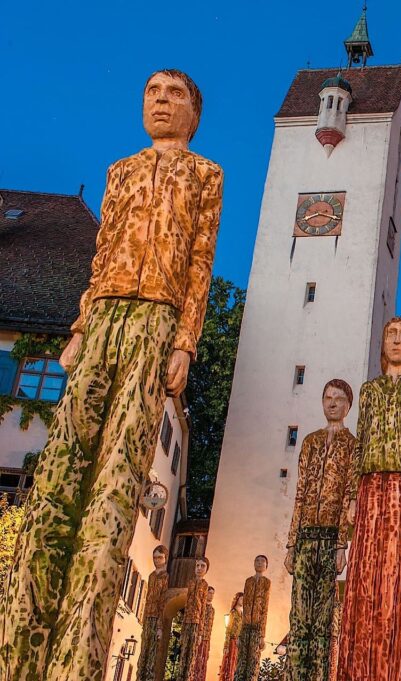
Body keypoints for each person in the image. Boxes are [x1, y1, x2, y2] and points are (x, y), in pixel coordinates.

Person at [0, 68, 223, 681]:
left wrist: (185, 342)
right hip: (102, 314)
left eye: (174, 95)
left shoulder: (206, 175)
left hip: (157, 317)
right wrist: (76, 326)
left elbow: (201, 262)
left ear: (193, 115)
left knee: (121, 463)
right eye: (153, 92)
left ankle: (78, 651)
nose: (160, 102)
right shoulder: (120, 171)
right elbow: (101, 254)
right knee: (65, 458)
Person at [338, 317, 401, 681]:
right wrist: (351, 495)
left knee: (395, 574)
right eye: (391, 334)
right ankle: (358, 664)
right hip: (369, 487)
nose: (396, 341)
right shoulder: (369, 391)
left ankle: (389, 666)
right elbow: (360, 442)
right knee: (364, 574)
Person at [286, 379, 359, 681]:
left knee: (323, 619)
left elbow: (348, 496)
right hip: (305, 536)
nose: (332, 403)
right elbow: (300, 492)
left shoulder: (352, 445)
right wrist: (291, 543)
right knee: (299, 614)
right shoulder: (311, 442)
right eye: (328, 397)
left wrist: (342, 543)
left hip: (330, 537)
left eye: (339, 399)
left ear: (347, 405)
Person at [234, 555, 271, 681]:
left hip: (257, 628)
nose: (259, 563)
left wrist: (262, 635)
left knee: (253, 662)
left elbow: (264, 609)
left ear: (266, 566)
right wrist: (239, 634)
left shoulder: (266, 582)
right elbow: (244, 608)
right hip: (245, 627)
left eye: (263, 562)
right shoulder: (248, 581)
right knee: (241, 661)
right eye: (257, 561)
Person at [139, 545, 170, 681]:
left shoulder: (165, 577)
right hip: (147, 615)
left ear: (165, 558)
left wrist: (159, 626)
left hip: (156, 617)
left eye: (160, 557)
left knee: (152, 653)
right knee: (143, 651)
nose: (157, 560)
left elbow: (163, 602)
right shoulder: (152, 576)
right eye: (155, 557)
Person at [179, 558, 212, 681]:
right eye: (197, 565)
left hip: (197, 624)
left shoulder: (205, 585)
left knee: (192, 655)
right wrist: (183, 627)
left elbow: (203, 608)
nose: (199, 568)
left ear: (206, 569)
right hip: (187, 622)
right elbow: (187, 605)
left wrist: (200, 632)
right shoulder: (191, 582)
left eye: (202, 566)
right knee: (183, 655)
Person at [219, 592, 244, 681]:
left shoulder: (243, 614)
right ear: (237, 599)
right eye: (241, 598)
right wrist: (226, 646)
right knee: (230, 663)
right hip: (232, 642)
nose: (242, 600)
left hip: (240, 643)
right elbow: (228, 630)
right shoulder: (233, 613)